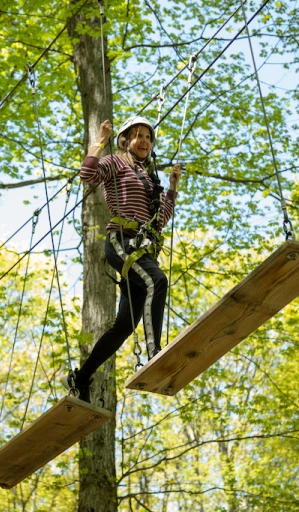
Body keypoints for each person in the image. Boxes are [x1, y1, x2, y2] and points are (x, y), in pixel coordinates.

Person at [74, 116, 182, 402]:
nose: (144, 141)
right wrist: (100, 142)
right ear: (126, 141)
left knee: (124, 326)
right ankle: (154, 353)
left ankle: (81, 377)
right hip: (121, 241)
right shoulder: (117, 163)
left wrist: (171, 188)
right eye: (138, 136)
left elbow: (159, 220)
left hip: (142, 247)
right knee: (157, 280)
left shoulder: (149, 178)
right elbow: (87, 174)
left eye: (148, 137)